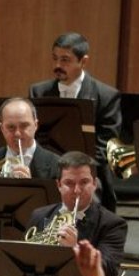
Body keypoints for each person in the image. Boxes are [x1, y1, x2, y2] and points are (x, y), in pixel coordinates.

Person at [29, 32, 122, 211]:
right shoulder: (38, 92)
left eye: (65, 60)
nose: (57, 65)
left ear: (83, 62)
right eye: (55, 58)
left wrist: (73, 167)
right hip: (48, 169)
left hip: (88, 171)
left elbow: (107, 146)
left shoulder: (106, 96)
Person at [0, 98, 60, 180]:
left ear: (35, 125)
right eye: (11, 127)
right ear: (2, 128)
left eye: (24, 126)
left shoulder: (57, 165)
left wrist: (32, 186)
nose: (17, 133)